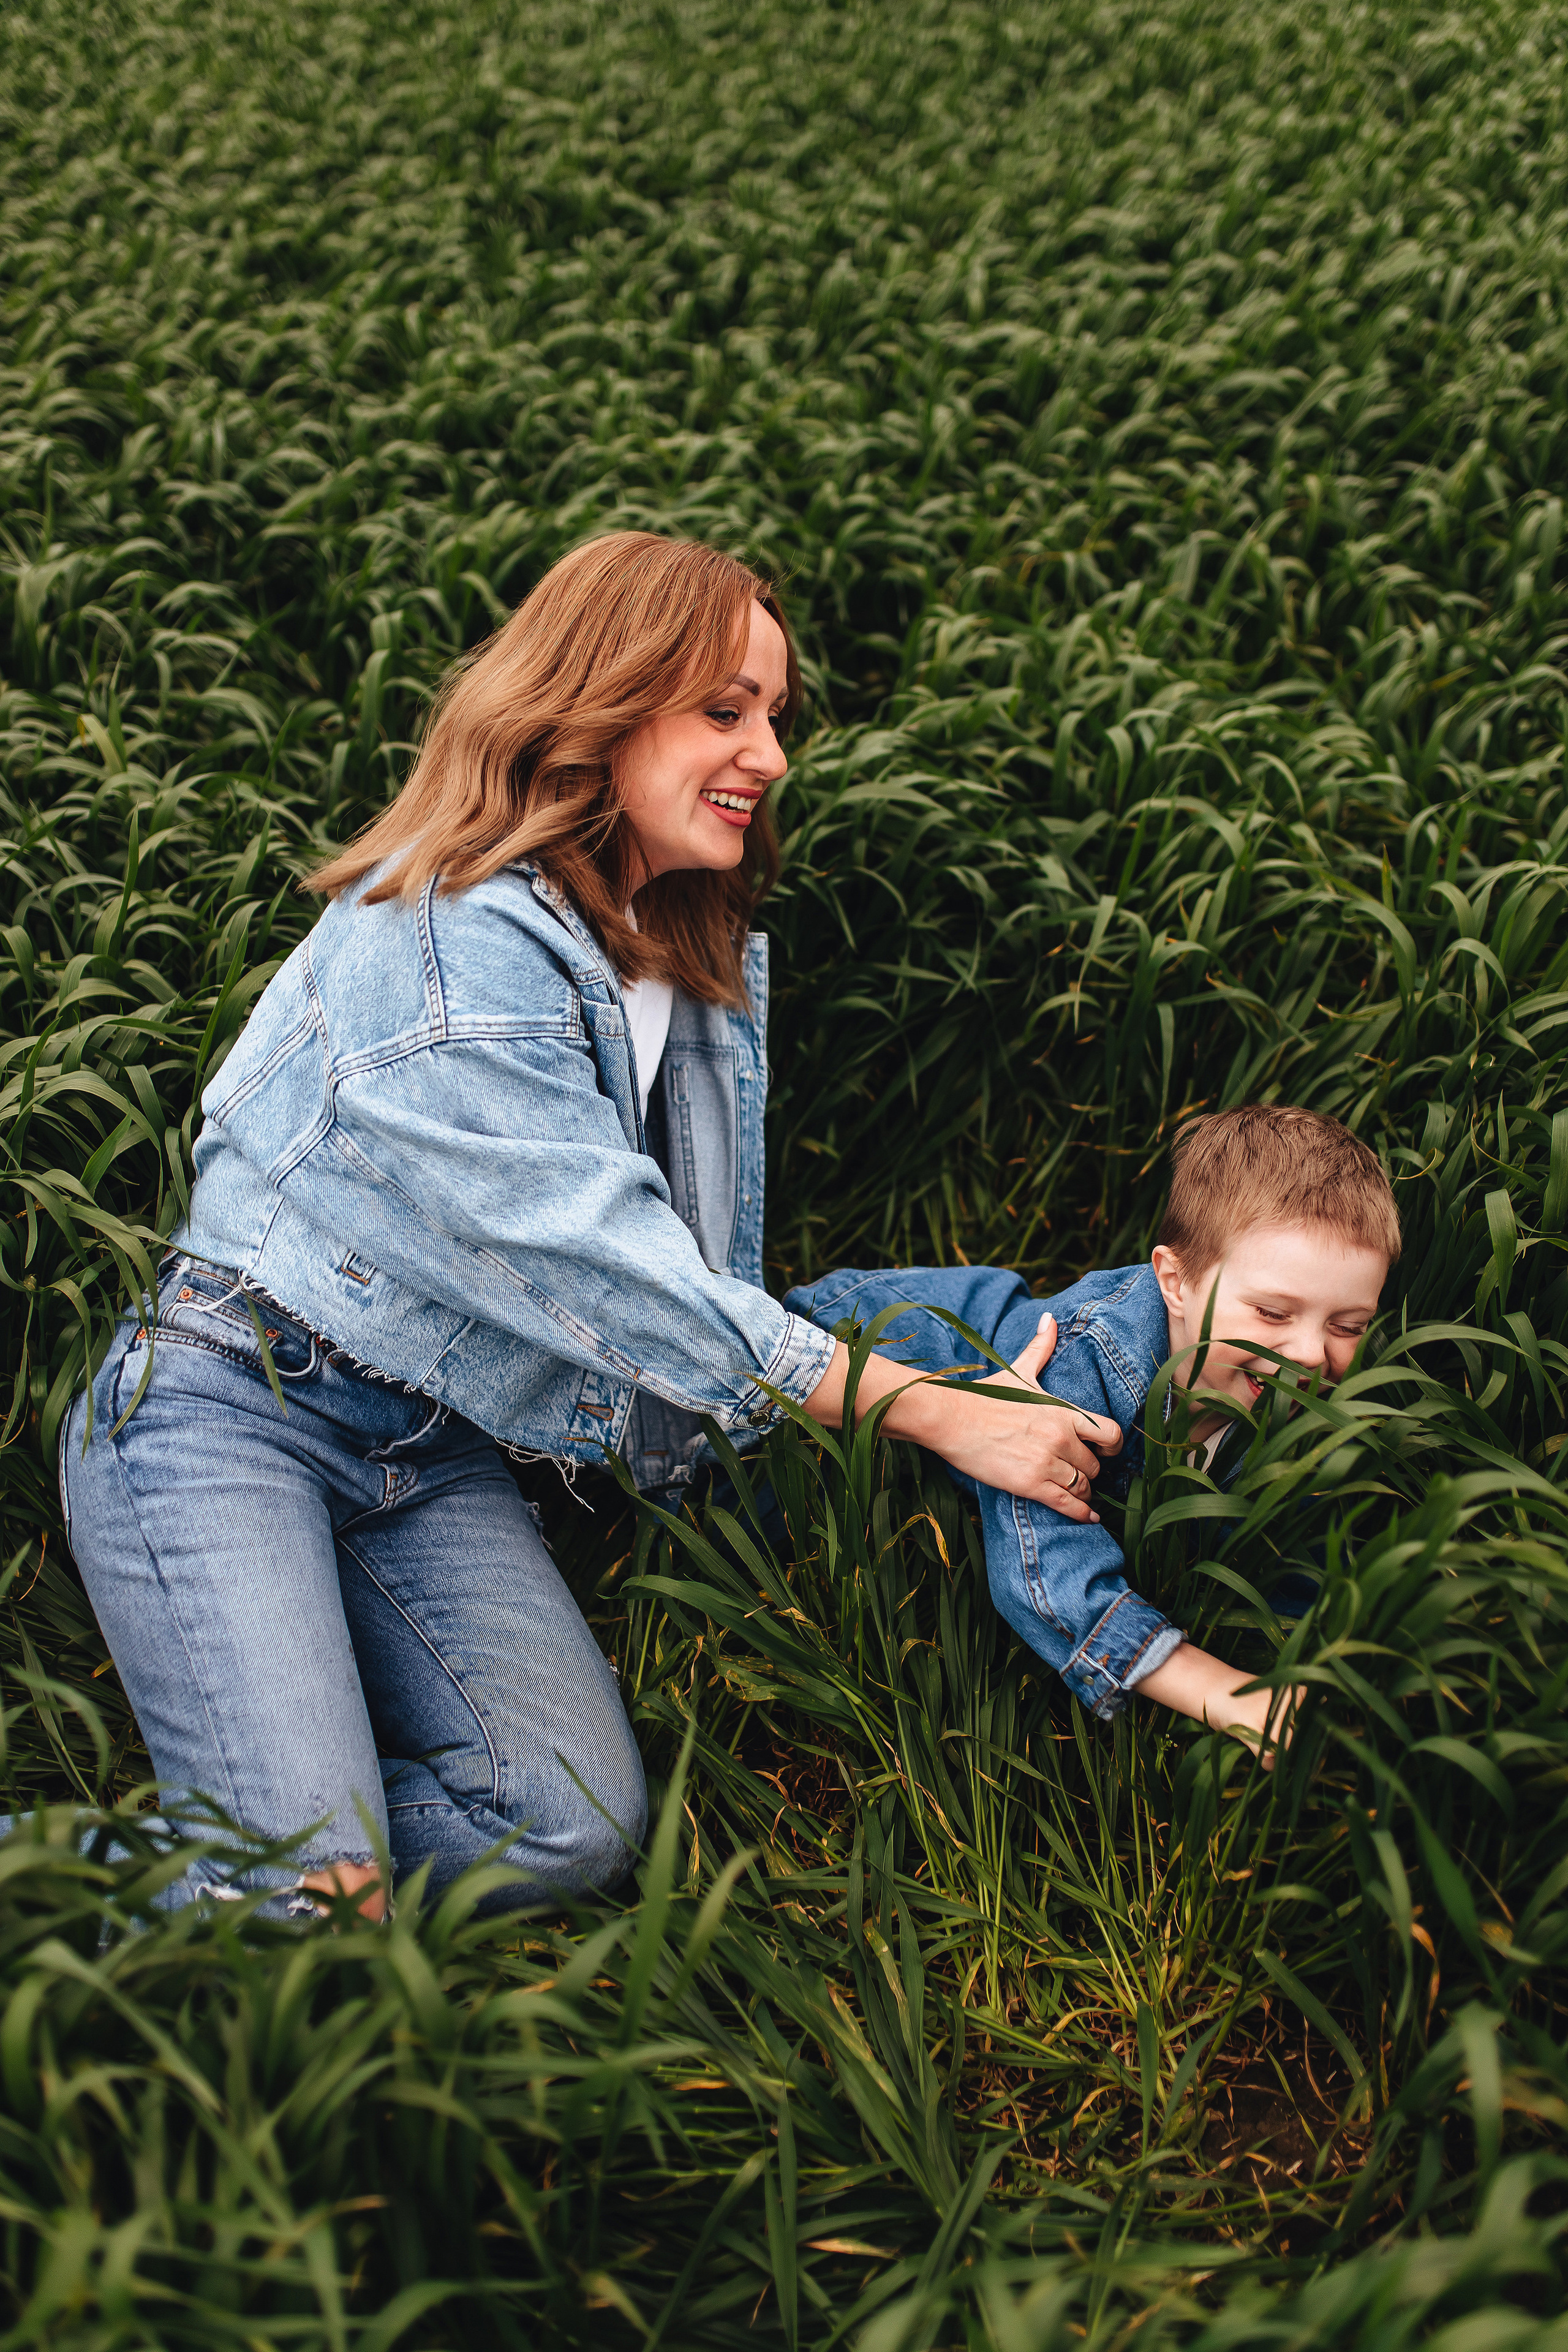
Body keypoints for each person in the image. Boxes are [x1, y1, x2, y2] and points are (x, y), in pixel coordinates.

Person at [55, 532, 1123, 1920]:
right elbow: (601, 1256)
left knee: (563, 1827)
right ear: (600, 700)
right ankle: (276, 1871)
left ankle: (301, 1851)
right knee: (314, 1901)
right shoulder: (446, 926)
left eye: (775, 717)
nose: (771, 755)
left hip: (435, 1455)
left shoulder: (691, 948)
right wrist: (928, 1408)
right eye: (724, 710)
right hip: (229, 1407)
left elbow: (698, 1276)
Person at [785, 1106, 1400, 1753]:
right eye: (1274, 1312)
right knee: (766, 1504)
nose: (1308, 1353)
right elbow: (1041, 1569)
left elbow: (1287, 1549)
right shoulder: (1089, 1366)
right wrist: (1220, 1690)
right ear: (1176, 1282)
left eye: (1348, 1326)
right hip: (849, 1349)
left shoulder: (1288, 1404)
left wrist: (1316, 1671)